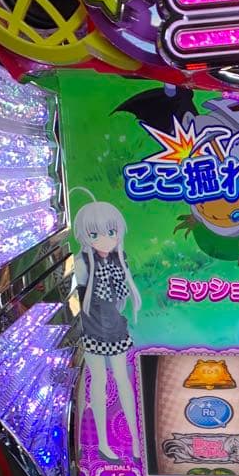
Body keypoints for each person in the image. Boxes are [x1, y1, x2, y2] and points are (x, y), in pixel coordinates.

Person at [71, 191, 142, 462]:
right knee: (97, 381)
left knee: (123, 381)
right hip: (91, 331)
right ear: (84, 235)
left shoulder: (119, 260)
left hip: (114, 328)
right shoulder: (82, 263)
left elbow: (120, 298)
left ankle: (136, 443)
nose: (105, 239)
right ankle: (101, 443)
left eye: (111, 232)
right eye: (95, 234)